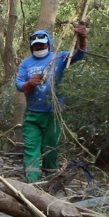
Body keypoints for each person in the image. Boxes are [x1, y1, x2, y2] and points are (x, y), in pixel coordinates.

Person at [15, 24, 87, 182]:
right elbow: (19, 84)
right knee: (31, 148)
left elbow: (80, 55)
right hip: (33, 114)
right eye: (36, 45)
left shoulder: (59, 57)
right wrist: (29, 83)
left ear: (48, 43)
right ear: (32, 46)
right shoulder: (26, 63)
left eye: (42, 44)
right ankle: (31, 182)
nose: (40, 47)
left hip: (53, 113)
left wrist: (82, 37)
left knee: (51, 149)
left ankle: (50, 180)